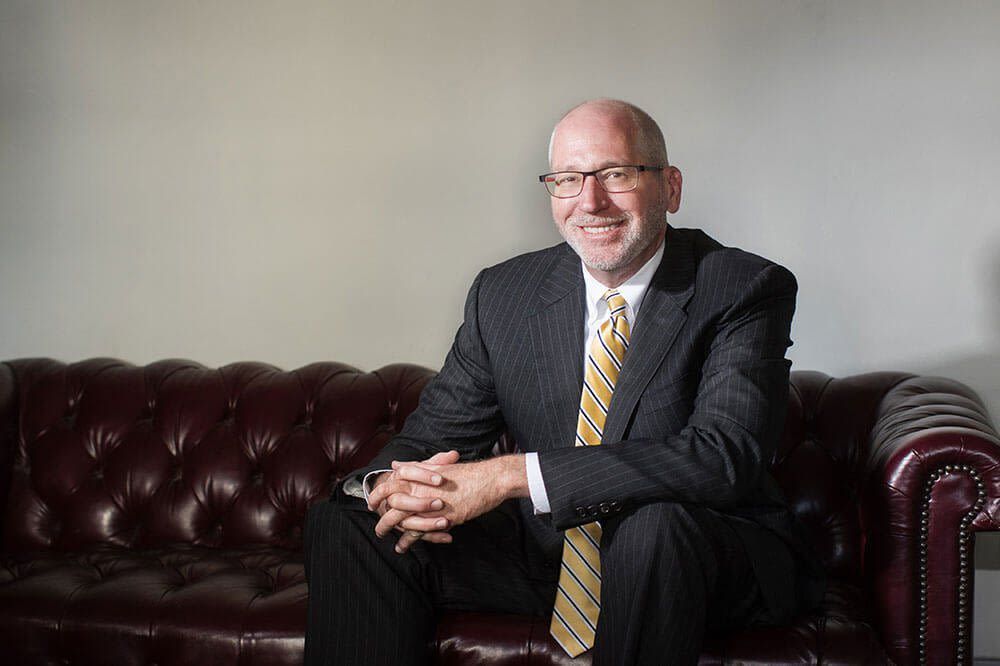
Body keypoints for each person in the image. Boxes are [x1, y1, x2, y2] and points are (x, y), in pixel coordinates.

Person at [304, 98, 824, 665]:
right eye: (568, 180)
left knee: (653, 529)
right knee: (354, 520)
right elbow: (434, 439)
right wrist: (396, 487)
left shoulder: (742, 287)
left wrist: (508, 476)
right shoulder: (504, 294)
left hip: (698, 556)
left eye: (617, 175)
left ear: (670, 188)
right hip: (552, 556)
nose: (591, 202)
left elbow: (724, 456)